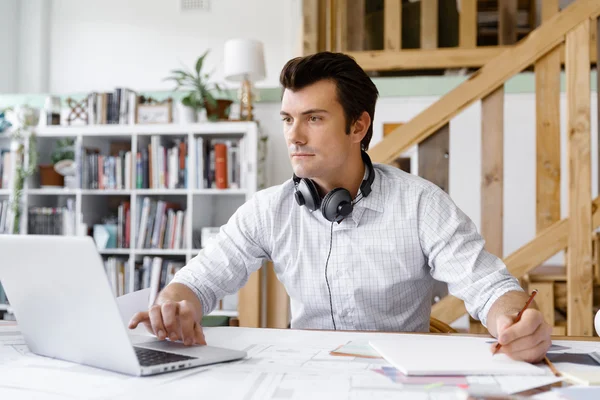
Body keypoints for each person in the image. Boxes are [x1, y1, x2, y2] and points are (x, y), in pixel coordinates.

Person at [130, 52, 551, 363]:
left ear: (358, 126)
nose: (294, 136)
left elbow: (490, 287)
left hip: (396, 379)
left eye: (313, 118)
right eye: (287, 118)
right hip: (303, 377)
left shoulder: (420, 203)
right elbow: (197, 283)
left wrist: (514, 321)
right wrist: (174, 303)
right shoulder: (268, 209)